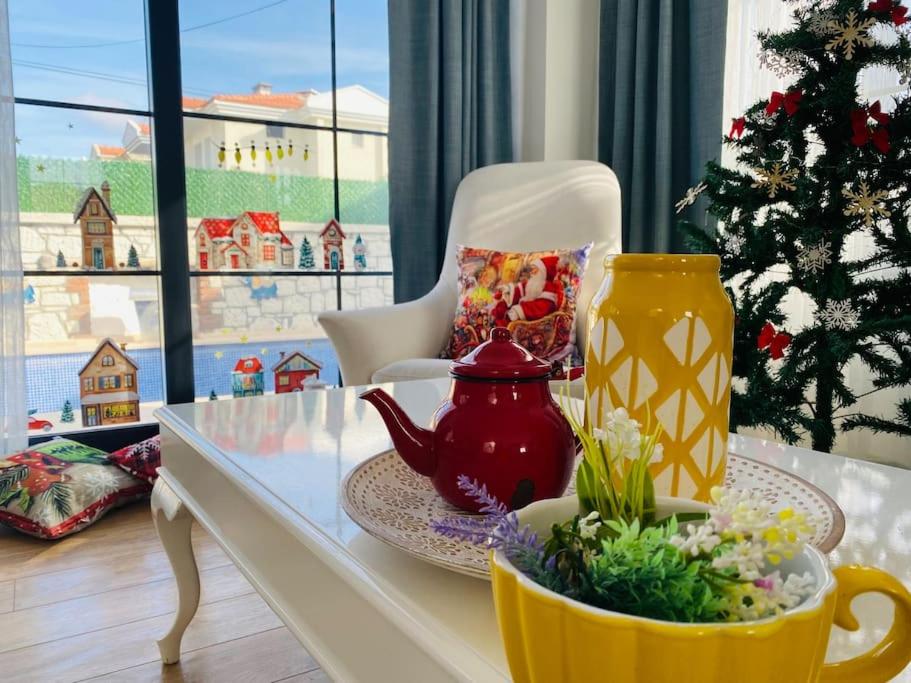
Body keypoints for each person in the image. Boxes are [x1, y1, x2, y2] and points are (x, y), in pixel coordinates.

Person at [491, 255, 563, 325]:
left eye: (534, 269)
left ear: (543, 272)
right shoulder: (534, 281)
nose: (531, 272)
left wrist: (519, 310)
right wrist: (507, 291)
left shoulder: (549, 288)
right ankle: (493, 319)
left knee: (507, 320)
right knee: (501, 307)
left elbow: (541, 308)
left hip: (532, 319)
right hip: (522, 309)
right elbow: (520, 289)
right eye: (531, 269)